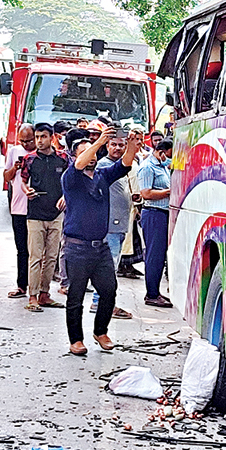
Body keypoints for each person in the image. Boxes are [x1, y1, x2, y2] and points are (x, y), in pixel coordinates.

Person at [59, 124, 140, 354]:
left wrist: (131, 146)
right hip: (77, 248)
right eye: (86, 152)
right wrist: (98, 142)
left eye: (94, 152)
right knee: (76, 295)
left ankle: (100, 331)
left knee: (109, 290)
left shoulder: (102, 176)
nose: (92, 155)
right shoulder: (71, 178)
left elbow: (124, 165)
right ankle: (76, 339)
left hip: (100, 247)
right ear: (76, 156)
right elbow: (79, 164)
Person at [18, 123, 69, 313]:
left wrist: (65, 197)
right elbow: (23, 181)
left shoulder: (63, 158)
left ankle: (44, 294)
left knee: (51, 257)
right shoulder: (30, 159)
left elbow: (70, 181)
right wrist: (27, 191)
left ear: (52, 137)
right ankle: (32, 296)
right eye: (37, 137)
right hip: (35, 215)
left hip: (56, 214)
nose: (39, 141)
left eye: (43, 137)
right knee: (35, 257)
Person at [94, 131, 135, 321]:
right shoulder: (104, 166)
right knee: (108, 267)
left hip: (119, 224)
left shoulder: (118, 166)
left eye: (121, 145)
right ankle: (101, 302)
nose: (118, 148)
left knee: (112, 266)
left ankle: (104, 301)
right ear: (107, 146)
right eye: (114, 144)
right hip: (110, 225)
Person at [134, 137, 174, 308]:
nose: (169, 159)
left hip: (163, 213)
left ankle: (155, 291)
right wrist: (169, 192)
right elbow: (146, 193)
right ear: (161, 152)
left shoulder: (162, 165)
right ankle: (151, 294)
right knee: (154, 255)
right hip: (153, 213)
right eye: (169, 155)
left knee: (160, 254)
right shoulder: (147, 167)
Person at [0, 124, 36, 299]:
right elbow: (6, 177)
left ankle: (38, 288)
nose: (26, 144)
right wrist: (15, 168)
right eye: (22, 141)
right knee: (22, 249)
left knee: (38, 251)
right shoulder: (14, 151)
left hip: (38, 209)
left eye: (29, 141)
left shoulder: (42, 152)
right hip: (19, 208)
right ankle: (22, 286)